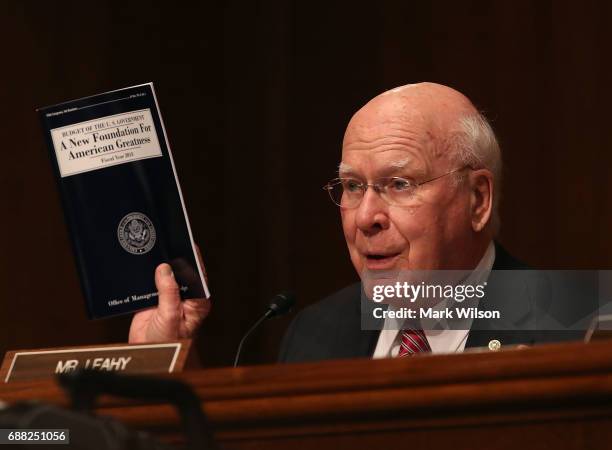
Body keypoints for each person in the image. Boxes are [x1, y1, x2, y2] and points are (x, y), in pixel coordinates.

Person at [128, 82, 576, 361]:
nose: (365, 218)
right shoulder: (314, 335)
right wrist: (164, 357)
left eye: (399, 184)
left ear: (477, 199)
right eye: (353, 187)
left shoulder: (572, 332)